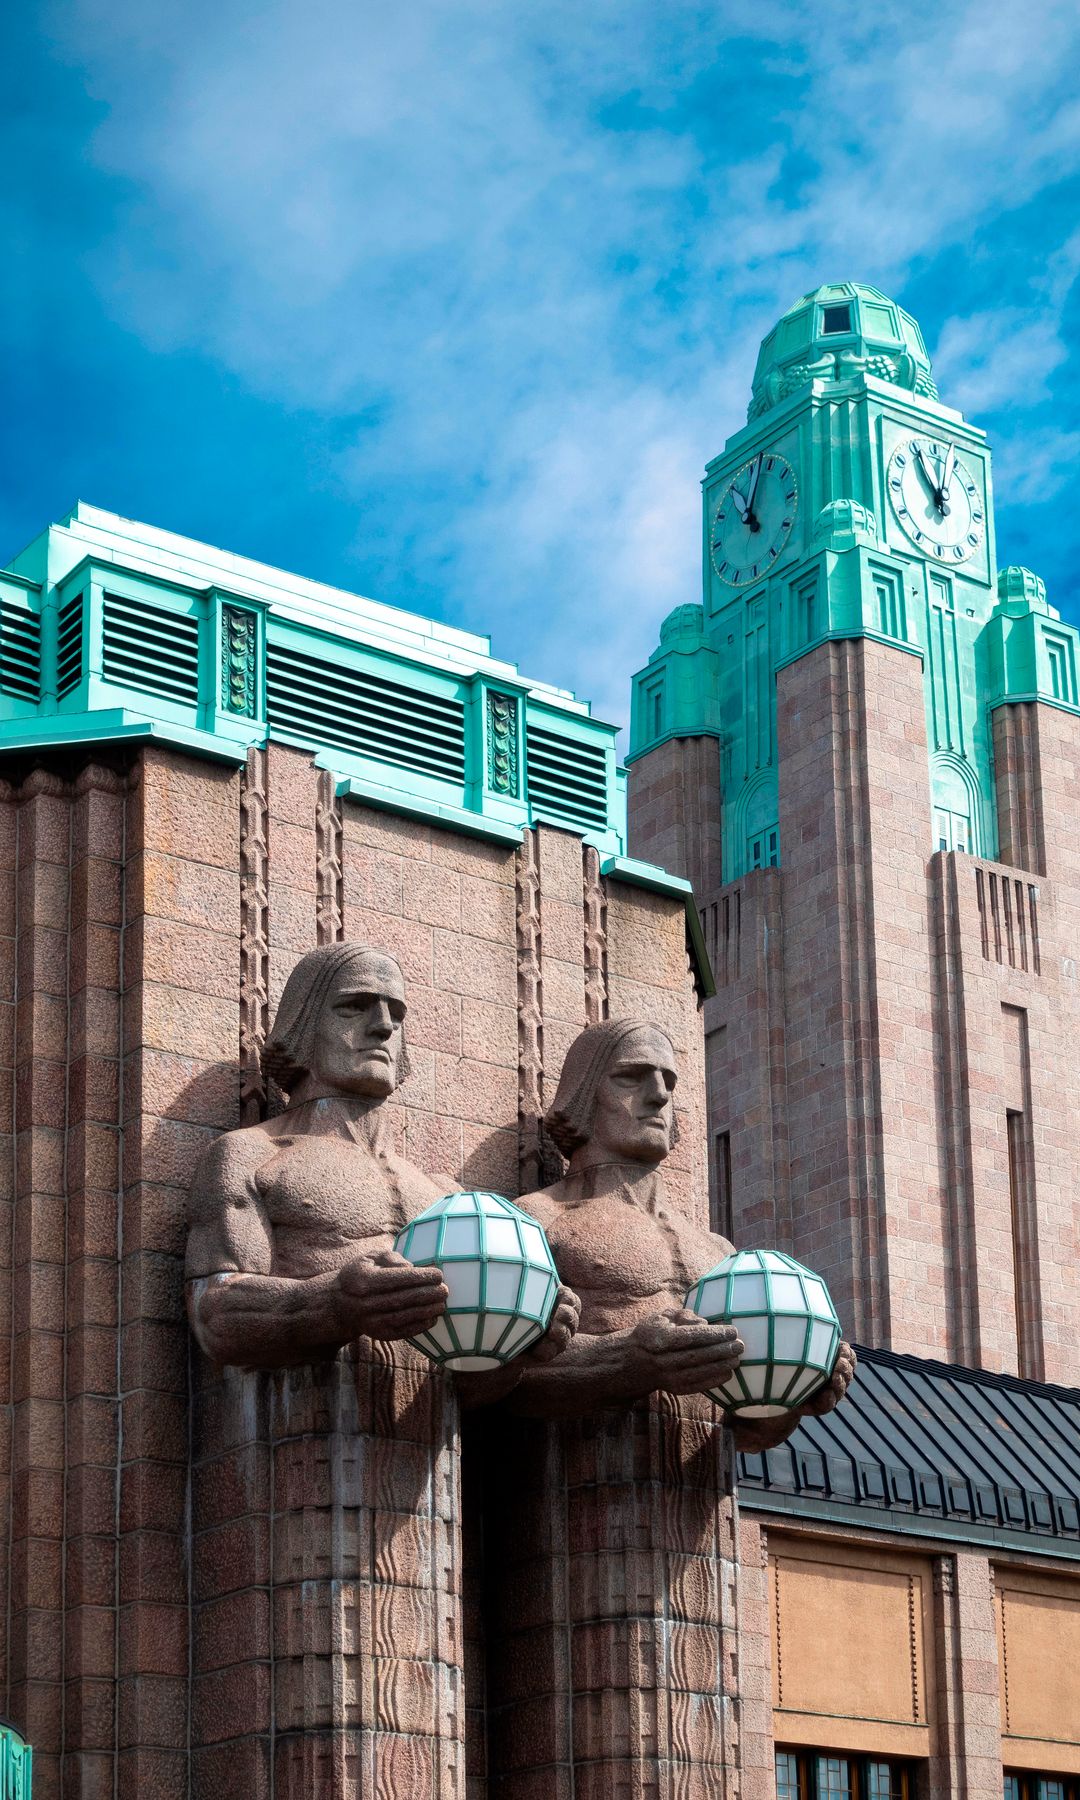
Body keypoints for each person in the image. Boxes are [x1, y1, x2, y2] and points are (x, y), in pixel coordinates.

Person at [186, 942, 579, 1371]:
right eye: (354, 1007)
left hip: (435, 1430)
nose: (384, 1027)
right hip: (302, 1418)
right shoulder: (249, 1155)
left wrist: (519, 1337)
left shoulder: (443, 1197)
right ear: (301, 1025)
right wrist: (333, 1303)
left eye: (397, 1013)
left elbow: (467, 1379)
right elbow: (216, 1313)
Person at [493, 1016, 856, 1449]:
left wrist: (795, 1389)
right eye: (631, 1078)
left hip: (708, 1497)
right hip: (581, 1476)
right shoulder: (537, 1218)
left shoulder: (718, 1250)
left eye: (669, 1081)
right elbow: (496, 1372)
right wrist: (629, 1359)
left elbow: (746, 1431)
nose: (659, 1095)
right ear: (583, 1092)